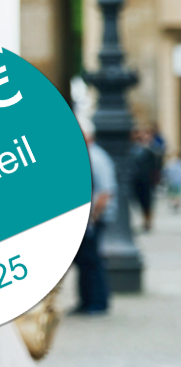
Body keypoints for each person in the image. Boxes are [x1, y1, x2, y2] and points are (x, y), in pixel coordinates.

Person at [73, 117, 115, 316]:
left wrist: (92, 218)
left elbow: (105, 192)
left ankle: (98, 302)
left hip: (94, 219)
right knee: (84, 261)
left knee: (92, 260)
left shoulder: (97, 157)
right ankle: (86, 300)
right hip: (89, 219)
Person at [130, 127, 162, 233]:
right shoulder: (132, 150)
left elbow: (156, 167)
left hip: (147, 181)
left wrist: (155, 180)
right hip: (135, 180)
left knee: (147, 202)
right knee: (136, 201)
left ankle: (147, 221)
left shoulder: (151, 150)